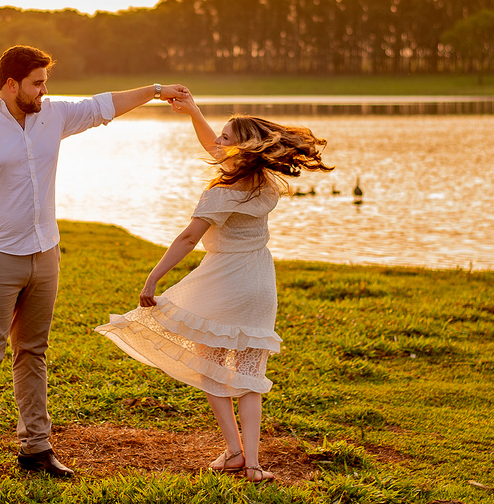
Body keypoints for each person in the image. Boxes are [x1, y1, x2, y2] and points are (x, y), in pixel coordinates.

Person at [0, 44, 189, 480]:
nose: (45, 90)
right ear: (11, 85)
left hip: (44, 254)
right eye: (37, 82)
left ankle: (36, 449)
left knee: (33, 352)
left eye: (46, 82)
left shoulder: (53, 115)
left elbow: (103, 105)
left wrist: (157, 89)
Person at [95, 96, 333, 484]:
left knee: (212, 367)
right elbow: (214, 147)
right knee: (250, 376)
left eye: (226, 137)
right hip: (259, 281)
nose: (217, 143)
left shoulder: (222, 190)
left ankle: (235, 452)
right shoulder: (265, 182)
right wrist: (193, 112)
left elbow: (189, 238)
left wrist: (153, 278)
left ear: (242, 147)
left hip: (225, 280)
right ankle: (252, 464)